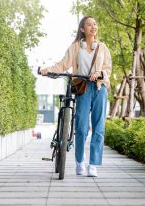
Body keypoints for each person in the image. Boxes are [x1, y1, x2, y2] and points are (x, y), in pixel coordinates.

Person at [40, 16, 112, 177]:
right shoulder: (75, 47)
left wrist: (100, 73)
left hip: (100, 88)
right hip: (83, 88)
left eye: (95, 24)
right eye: (89, 24)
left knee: (99, 128)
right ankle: (80, 161)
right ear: (82, 29)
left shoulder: (102, 48)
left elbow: (108, 68)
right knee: (81, 127)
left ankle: (93, 164)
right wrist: (48, 69)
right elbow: (63, 64)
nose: (93, 26)